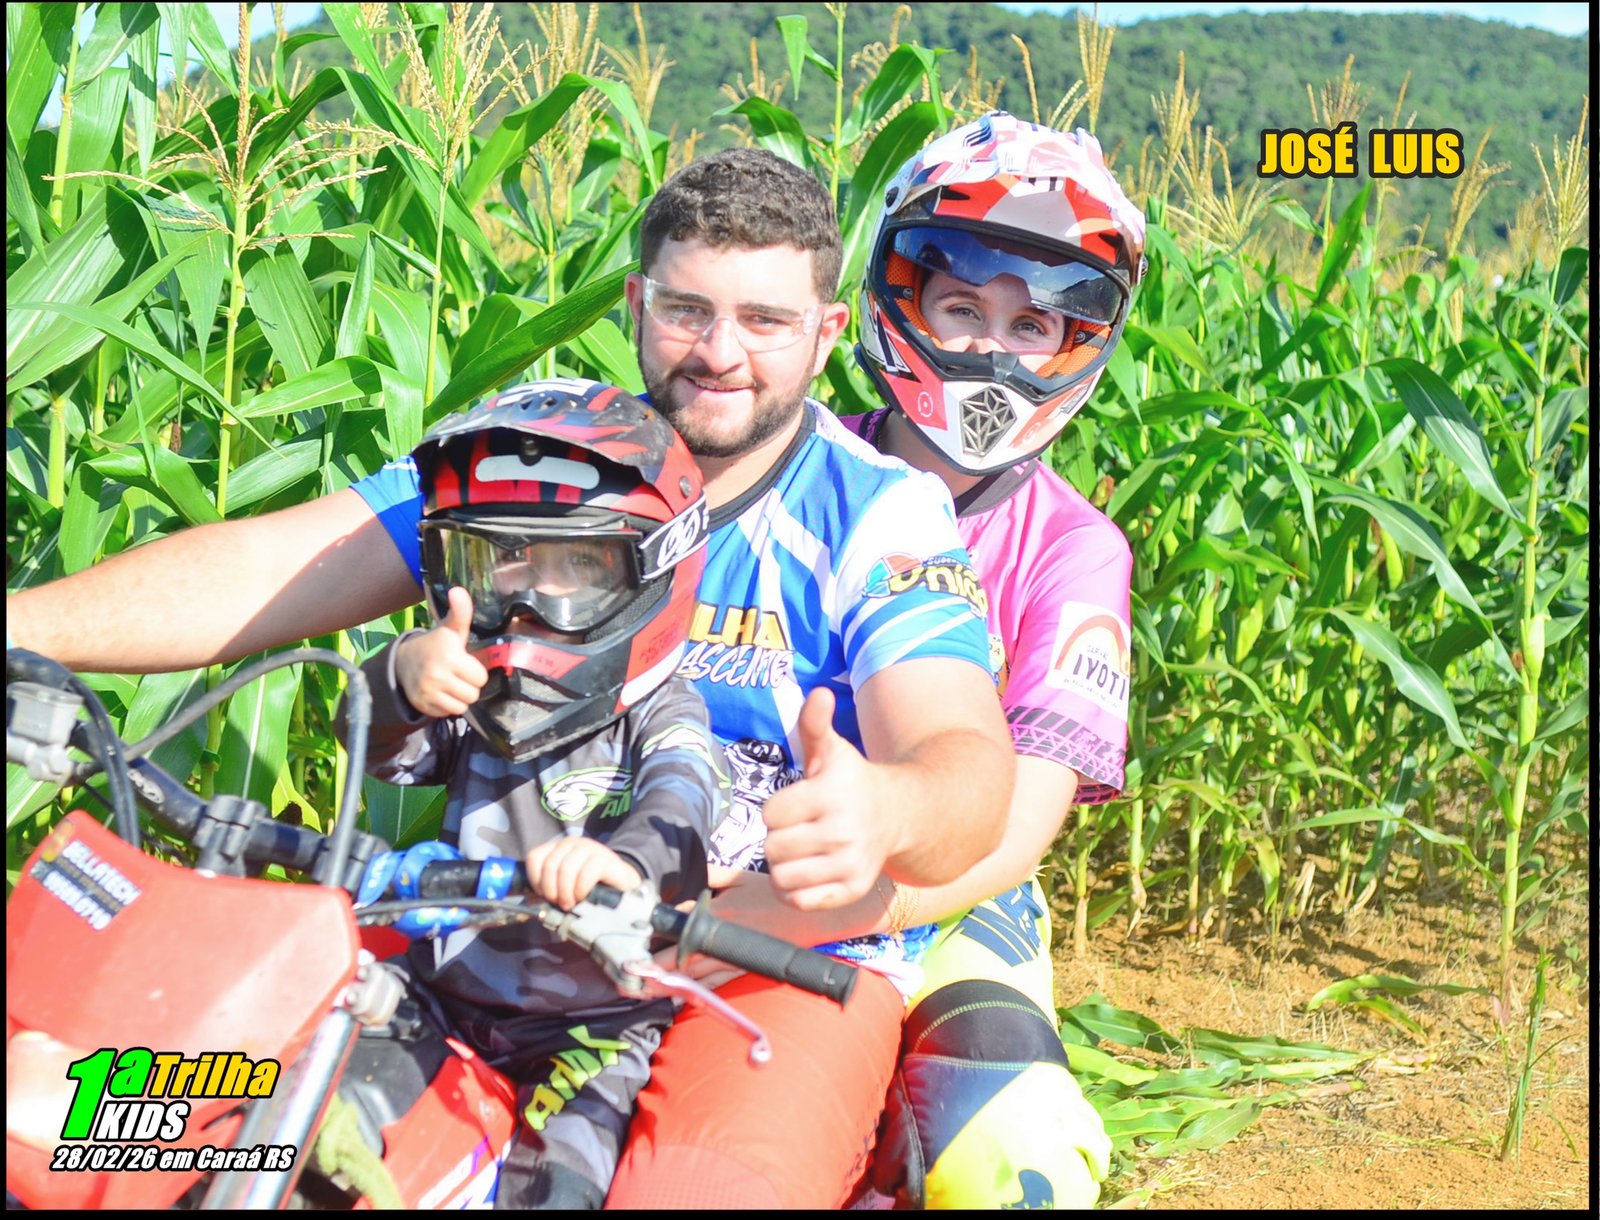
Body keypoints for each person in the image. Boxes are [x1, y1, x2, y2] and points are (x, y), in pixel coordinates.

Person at [7, 147, 1017, 1207]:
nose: (720, 353)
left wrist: (886, 809)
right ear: (635, 304)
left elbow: (963, 760)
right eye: (686, 311)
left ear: (827, 331)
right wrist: (21, 627)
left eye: (765, 320)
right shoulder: (540, 458)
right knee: (195, 1103)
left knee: (688, 1193)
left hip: (762, 948)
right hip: (491, 919)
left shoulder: (878, 513)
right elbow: (277, 566)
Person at [666, 112, 1146, 1210]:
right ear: (903, 301)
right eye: (963, 308)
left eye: (1033, 325)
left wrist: (790, 919)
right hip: (737, 848)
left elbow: (1015, 831)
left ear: (1078, 343)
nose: (991, 350)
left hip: (950, 900)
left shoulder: (1073, 549)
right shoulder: (790, 461)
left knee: (1006, 1157)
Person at [349, 380, 728, 1208]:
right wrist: (399, 678)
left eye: (577, 568)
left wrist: (624, 864)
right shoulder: (477, 688)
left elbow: (684, 804)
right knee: (312, 1126)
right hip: (439, 992)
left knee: (555, 1190)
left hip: (592, 1029)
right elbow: (382, 753)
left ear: (652, 570)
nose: (529, 600)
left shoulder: (663, 711)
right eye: (505, 563)